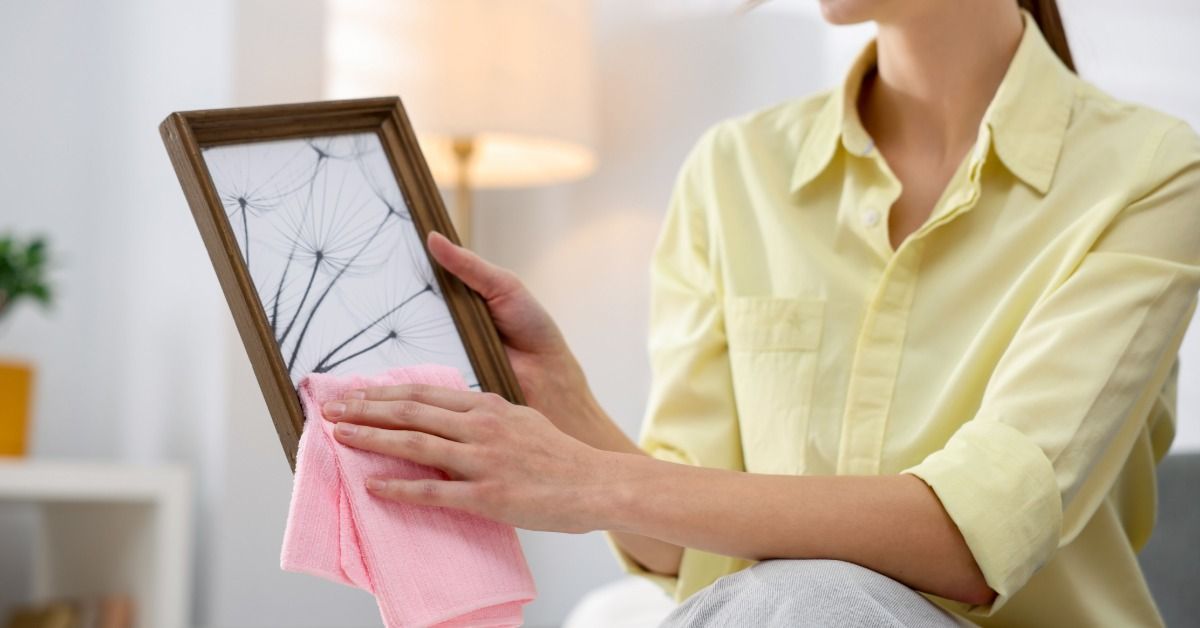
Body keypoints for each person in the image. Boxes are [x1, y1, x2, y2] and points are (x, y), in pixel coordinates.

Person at [316, 0, 1200, 625]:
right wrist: (570, 411)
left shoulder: (1151, 175)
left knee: (807, 600)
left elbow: (974, 538)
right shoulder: (736, 171)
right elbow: (681, 553)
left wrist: (583, 481)